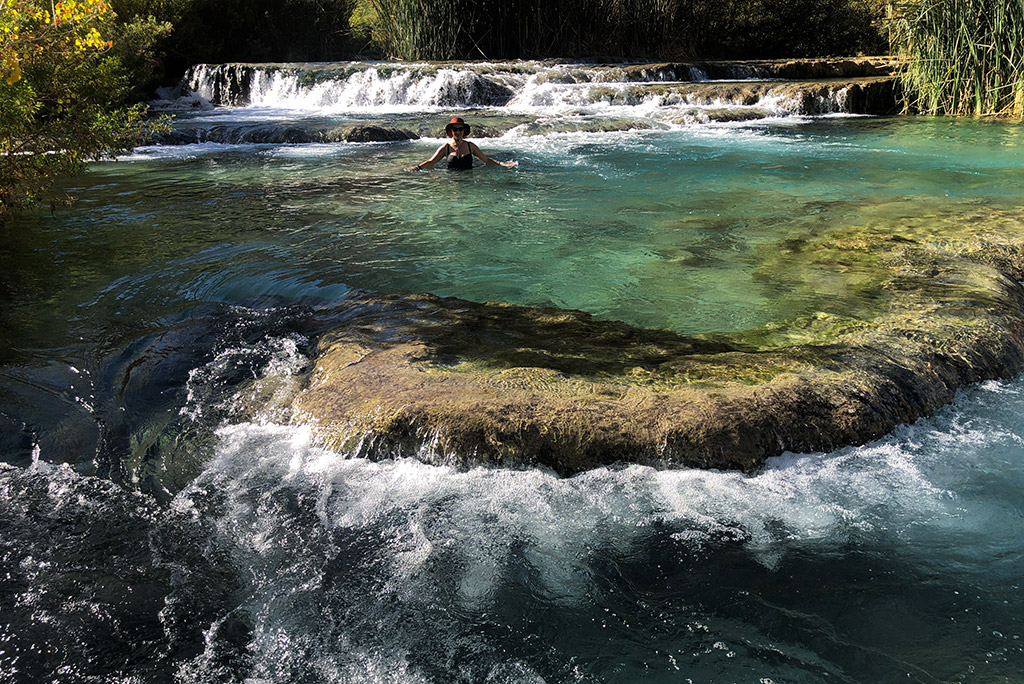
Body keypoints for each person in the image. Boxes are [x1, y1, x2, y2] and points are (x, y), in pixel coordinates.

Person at [409, 117, 516, 171]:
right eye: (455, 129)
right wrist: (418, 167)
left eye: (460, 129)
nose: (458, 132)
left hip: (469, 180)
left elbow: (486, 160)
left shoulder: (471, 146)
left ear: (464, 131)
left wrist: (503, 164)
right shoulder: (446, 147)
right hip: (452, 181)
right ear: (451, 131)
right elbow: (431, 162)